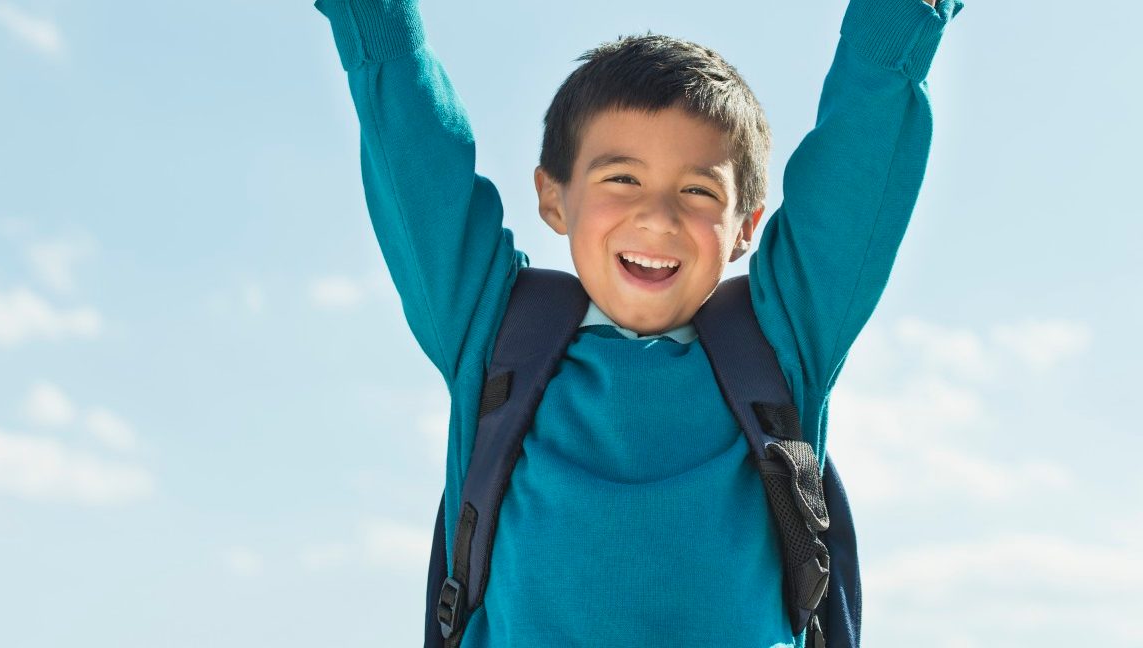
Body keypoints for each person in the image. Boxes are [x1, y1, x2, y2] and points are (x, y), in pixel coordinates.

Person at [313, 0, 963, 644]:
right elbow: (416, 156)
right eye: (620, 178)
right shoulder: (494, 334)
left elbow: (857, 165)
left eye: (699, 190)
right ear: (552, 196)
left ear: (746, 228)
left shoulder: (778, 344)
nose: (658, 216)